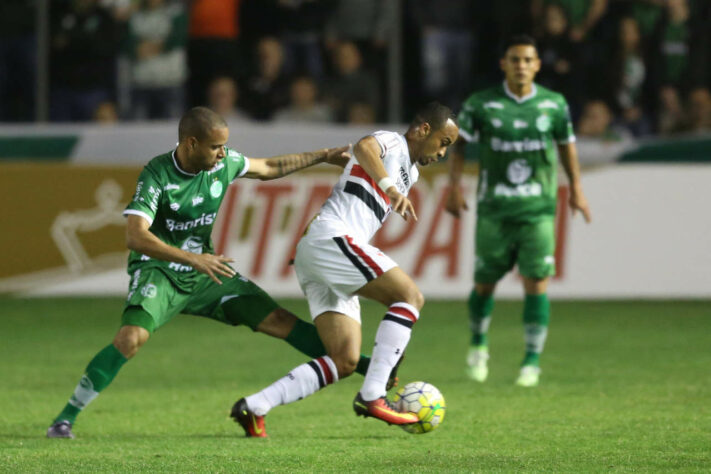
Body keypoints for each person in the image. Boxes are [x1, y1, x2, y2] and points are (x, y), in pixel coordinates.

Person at [46, 107, 392, 439]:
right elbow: (135, 236)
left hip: (206, 272)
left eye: (224, 145)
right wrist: (191, 259)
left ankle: (367, 366)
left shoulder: (222, 165)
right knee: (130, 339)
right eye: (215, 146)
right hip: (160, 271)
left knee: (279, 320)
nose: (222, 153)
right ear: (191, 143)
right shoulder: (157, 174)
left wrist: (322, 155)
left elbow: (270, 166)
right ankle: (65, 419)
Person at [231, 102, 459, 437]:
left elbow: (360, 164)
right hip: (332, 239)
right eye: (443, 142)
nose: (442, 153)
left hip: (321, 252)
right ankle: (372, 395)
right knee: (409, 297)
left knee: (345, 359)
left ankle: (255, 406)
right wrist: (390, 188)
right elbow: (365, 146)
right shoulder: (392, 142)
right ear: (424, 130)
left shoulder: (411, 170)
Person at [445, 35, 592, 388]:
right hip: (494, 211)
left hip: (538, 211)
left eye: (528, 60)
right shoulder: (481, 104)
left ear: (538, 65)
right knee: (483, 285)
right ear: (504, 64)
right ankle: (478, 346)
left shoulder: (554, 105)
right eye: (515, 59)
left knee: (536, 283)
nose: (521, 66)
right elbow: (458, 145)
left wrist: (577, 190)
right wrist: (453, 187)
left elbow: (566, 149)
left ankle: (531, 361)